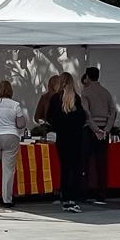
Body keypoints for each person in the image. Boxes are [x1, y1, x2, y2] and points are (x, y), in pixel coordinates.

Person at [47, 73, 91, 214]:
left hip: (62, 139)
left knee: (64, 169)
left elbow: (50, 118)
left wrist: (59, 126)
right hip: (75, 139)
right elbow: (83, 118)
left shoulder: (55, 99)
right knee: (75, 169)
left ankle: (65, 198)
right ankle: (72, 199)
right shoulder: (76, 99)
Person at [0, 79, 29, 207]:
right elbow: (20, 124)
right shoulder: (15, 105)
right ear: (11, 91)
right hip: (10, 136)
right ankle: (7, 199)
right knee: (8, 170)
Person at [78, 66, 116, 205]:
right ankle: (101, 192)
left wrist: (95, 130)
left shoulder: (85, 93)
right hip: (104, 129)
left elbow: (86, 114)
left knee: (86, 162)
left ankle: (85, 191)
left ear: (87, 77)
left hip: (90, 130)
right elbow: (113, 111)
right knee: (101, 162)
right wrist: (106, 129)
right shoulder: (106, 93)